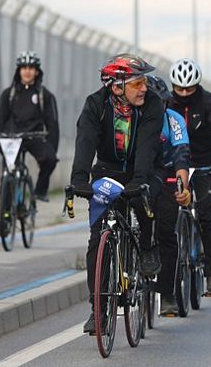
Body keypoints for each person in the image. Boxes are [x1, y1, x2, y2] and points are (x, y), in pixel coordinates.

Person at [70, 53, 162, 334]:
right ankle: (98, 310)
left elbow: (147, 147)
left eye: (144, 81)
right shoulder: (95, 105)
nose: (144, 88)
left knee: (146, 199)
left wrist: (140, 181)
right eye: (137, 83)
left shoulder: (153, 104)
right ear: (116, 86)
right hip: (107, 171)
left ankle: (146, 248)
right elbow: (85, 143)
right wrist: (78, 180)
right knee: (97, 239)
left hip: (141, 170)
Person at [168, 58, 211, 297]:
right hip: (176, 164)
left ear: (197, 85)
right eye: (180, 89)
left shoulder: (209, 101)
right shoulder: (165, 103)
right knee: (169, 214)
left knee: (207, 217)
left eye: (190, 89)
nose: (185, 93)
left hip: (205, 163)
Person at [0, 51, 59, 235]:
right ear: (19, 71)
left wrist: (52, 148)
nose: (27, 72)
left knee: (50, 159)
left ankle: (40, 191)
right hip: (12, 138)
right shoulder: (8, 94)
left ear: (37, 72)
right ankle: (4, 223)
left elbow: (52, 125)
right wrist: (0, 143)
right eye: (24, 68)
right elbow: (0, 120)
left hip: (35, 137)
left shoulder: (45, 95)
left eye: (31, 68)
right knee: (7, 177)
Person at [145, 75, 193, 317]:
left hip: (166, 173)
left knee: (166, 230)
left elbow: (181, 155)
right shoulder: (132, 120)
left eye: (160, 103)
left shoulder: (173, 120)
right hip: (141, 173)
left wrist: (183, 187)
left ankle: (167, 293)